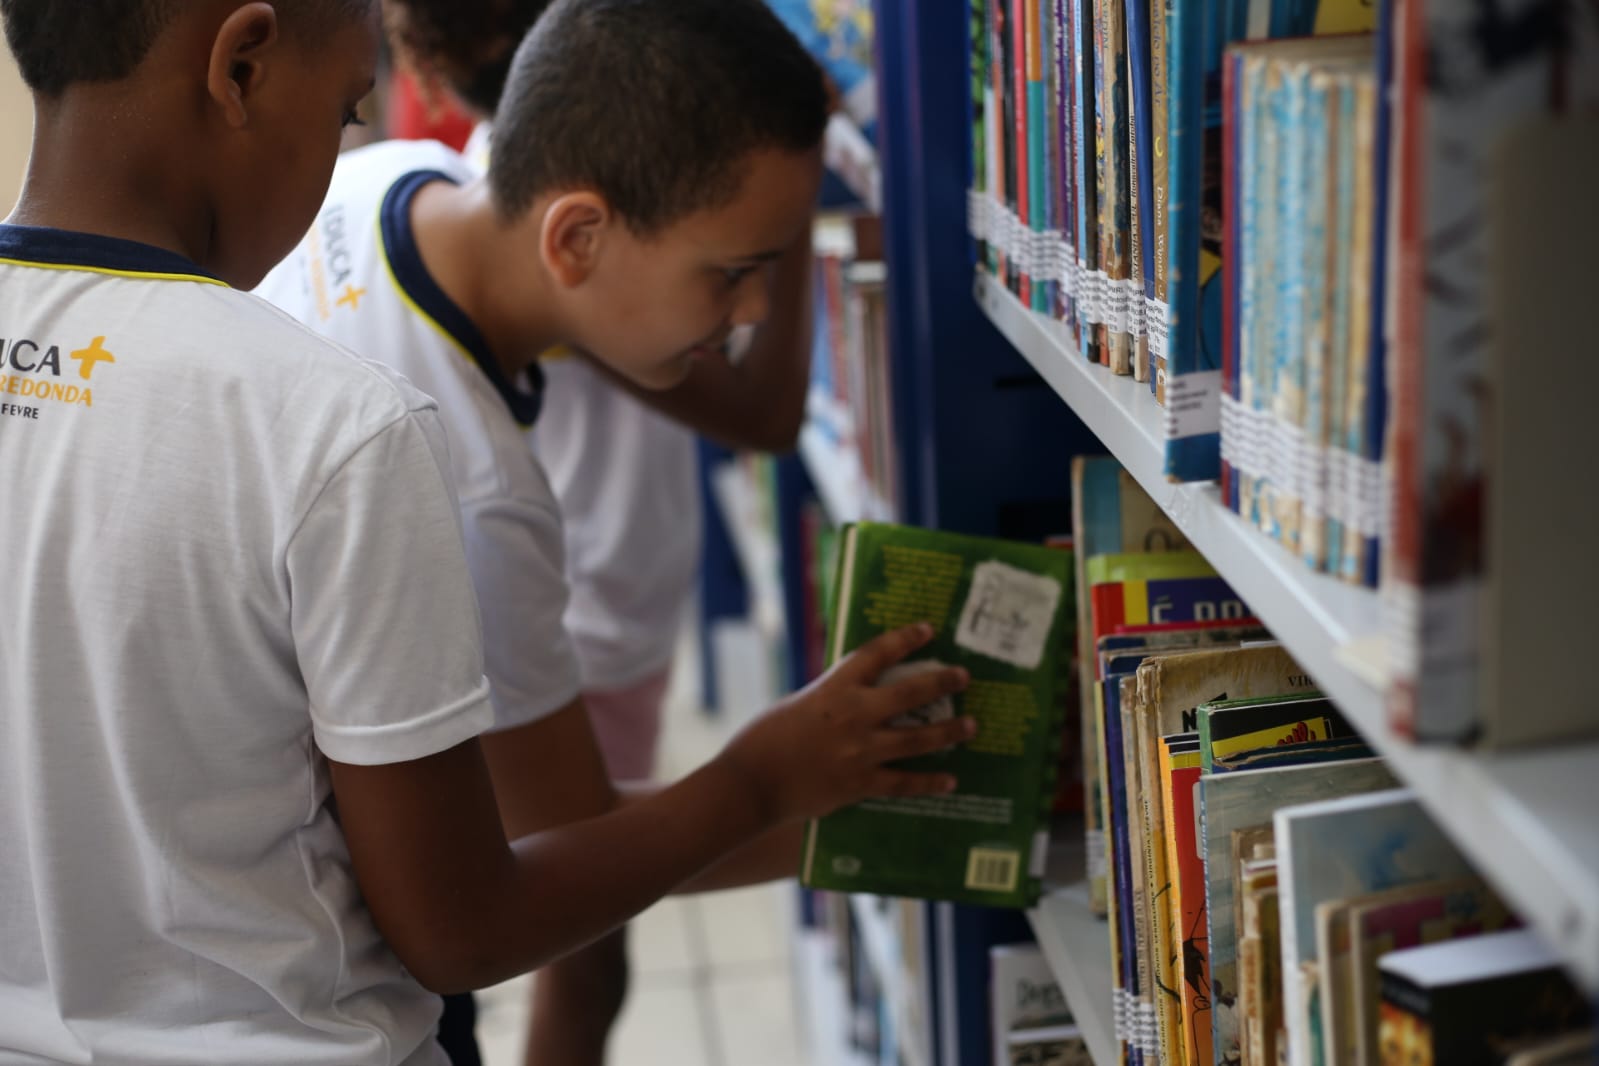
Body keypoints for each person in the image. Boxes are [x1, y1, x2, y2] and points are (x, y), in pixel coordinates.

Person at [0, 1, 974, 1062]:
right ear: (239, 68)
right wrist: (762, 782)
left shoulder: (383, 198)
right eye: (343, 112)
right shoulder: (359, 436)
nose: (747, 315)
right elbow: (467, 920)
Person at [381, 0, 816, 1059]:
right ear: (575, 237)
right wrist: (797, 789)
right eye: (731, 270)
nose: (755, 310)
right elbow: (559, 847)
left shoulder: (382, 183)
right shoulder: (482, 496)